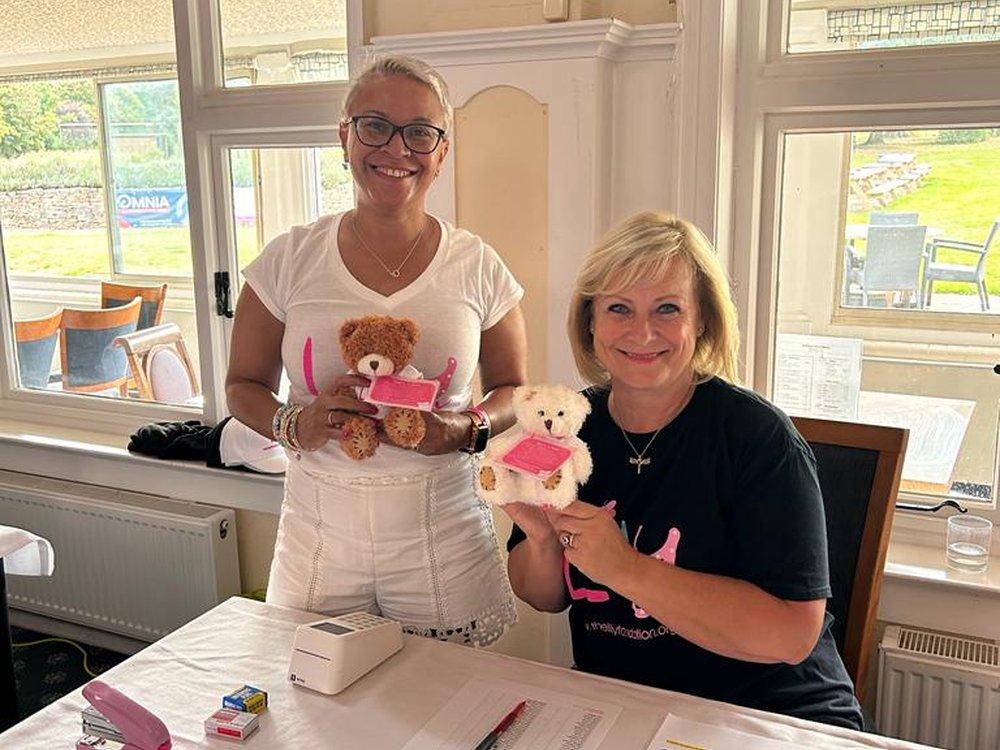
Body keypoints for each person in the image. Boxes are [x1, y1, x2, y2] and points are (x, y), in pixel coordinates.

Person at [504, 211, 864, 728]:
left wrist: (623, 567)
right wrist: (540, 539)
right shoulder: (565, 427)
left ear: (703, 321)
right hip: (625, 709)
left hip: (767, 715)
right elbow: (541, 596)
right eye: (619, 308)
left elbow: (792, 635)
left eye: (668, 309)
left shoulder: (758, 437)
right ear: (590, 321)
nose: (642, 332)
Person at [226, 54, 527, 647]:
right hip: (319, 535)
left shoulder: (478, 265)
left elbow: (514, 388)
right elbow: (242, 385)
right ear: (345, 135)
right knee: (316, 711)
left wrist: (465, 428)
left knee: (445, 714)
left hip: (443, 531)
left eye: (420, 132)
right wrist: (295, 422)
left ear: (442, 151)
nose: (397, 149)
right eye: (375, 125)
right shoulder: (288, 260)